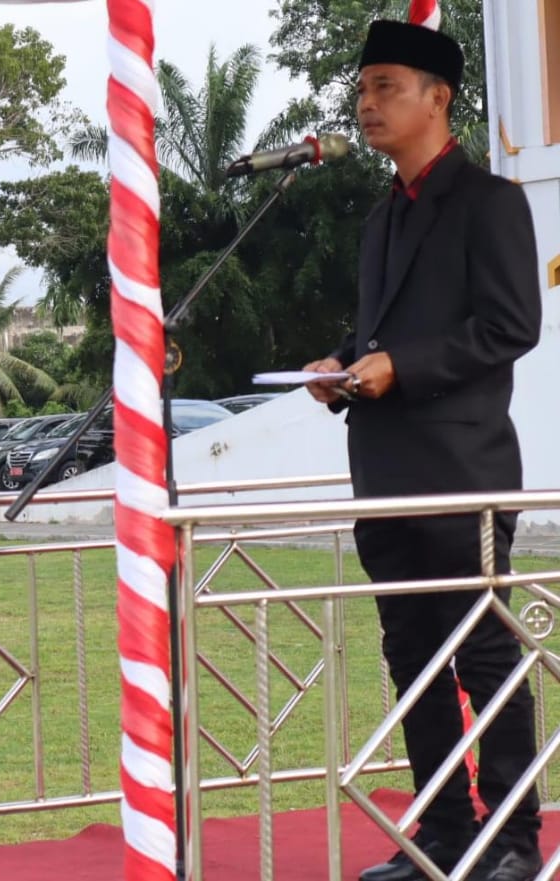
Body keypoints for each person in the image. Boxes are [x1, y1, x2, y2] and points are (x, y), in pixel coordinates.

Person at [303, 19, 543, 881]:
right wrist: (339, 364)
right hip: (386, 473)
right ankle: (443, 832)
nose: (366, 105)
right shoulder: (379, 217)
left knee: (481, 651)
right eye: (362, 90)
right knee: (410, 654)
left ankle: (513, 839)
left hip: (462, 471)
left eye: (386, 87)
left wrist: (401, 365)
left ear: (438, 99)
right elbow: (383, 331)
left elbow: (513, 326)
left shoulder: (490, 200)